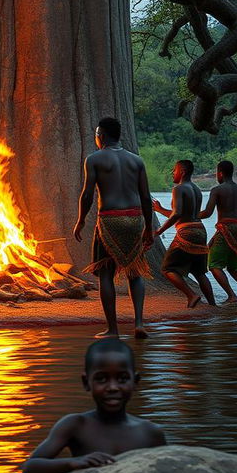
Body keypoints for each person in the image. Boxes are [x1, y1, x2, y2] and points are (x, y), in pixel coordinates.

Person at [21, 338, 166, 473]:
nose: (113, 387)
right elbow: (30, 468)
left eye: (122, 379)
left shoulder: (150, 432)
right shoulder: (76, 425)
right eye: (101, 379)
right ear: (86, 382)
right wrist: (73, 463)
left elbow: (166, 472)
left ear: (135, 382)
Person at [73, 117, 153, 339]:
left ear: (102, 135)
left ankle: (113, 329)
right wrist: (148, 227)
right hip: (135, 219)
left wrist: (80, 220)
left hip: (109, 220)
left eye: (96, 134)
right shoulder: (137, 161)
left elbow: (88, 194)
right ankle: (139, 323)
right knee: (135, 272)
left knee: (105, 274)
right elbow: (146, 197)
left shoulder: (94, 159)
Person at [153, 160, 216, 308]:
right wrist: (160, 209)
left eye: (174, 170)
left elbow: (177, 214)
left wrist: (159, 231)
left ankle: (191, 295)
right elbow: (184, 214)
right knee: (199, 272)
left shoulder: (178, 189)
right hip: (200, 230)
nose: (172, 173)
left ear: (182, 171)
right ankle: (213, 305)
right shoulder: (196, 189)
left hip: (186, 232)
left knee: (167, 269)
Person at [200, 160, 237, 302]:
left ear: (220, 173)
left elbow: (207, 213)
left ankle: (231, 295)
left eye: (216, 173)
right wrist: (235, 218)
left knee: (214, 265)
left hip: (226, 227)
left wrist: (190, 215)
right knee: (233, 266)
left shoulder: (217, 190)